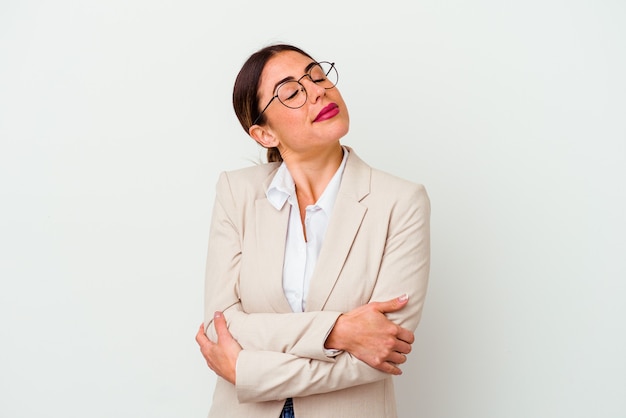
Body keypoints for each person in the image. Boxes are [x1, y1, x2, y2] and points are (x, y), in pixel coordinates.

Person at [195, 43, 431, 418]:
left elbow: (381, 350)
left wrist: (247, 371)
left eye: (317, 76)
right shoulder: (236, 193)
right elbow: (222, 327)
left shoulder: (401, 202)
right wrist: (337, 331)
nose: (318, 90)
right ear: (264, 135)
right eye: (291, 92)